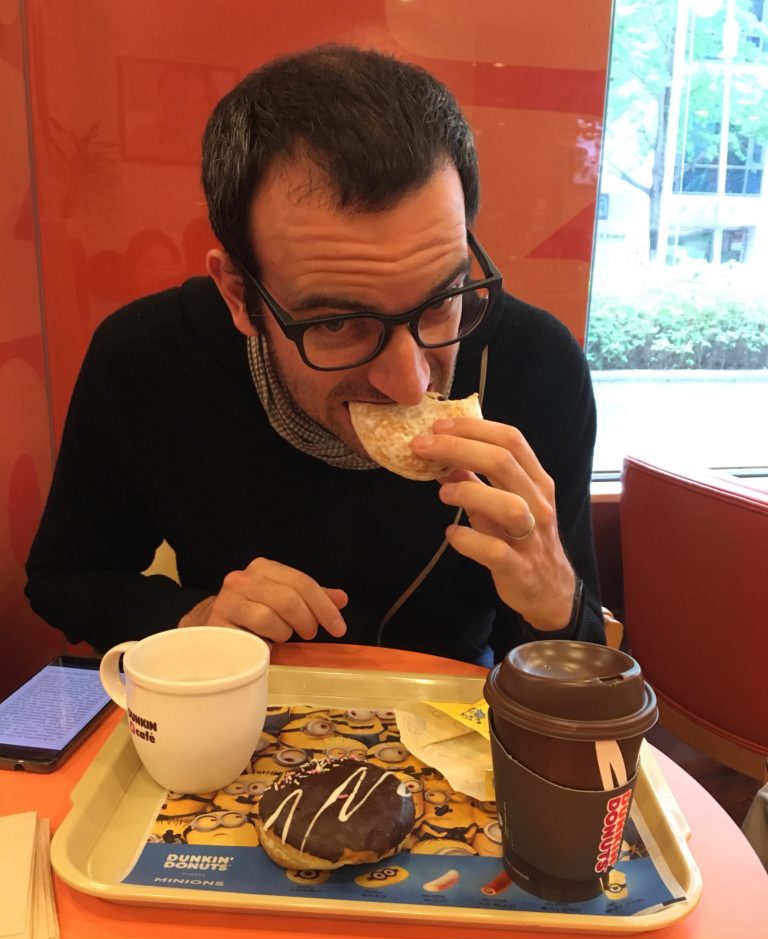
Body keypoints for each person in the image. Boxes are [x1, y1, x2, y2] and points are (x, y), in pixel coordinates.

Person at [26, 44, 605, 666]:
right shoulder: (148, 358)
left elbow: (576, 669)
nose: (409, 384)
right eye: (337, 322)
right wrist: (196, 619)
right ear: (239, 296)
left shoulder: (539, 366)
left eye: (443, 299)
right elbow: (68, 578)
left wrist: (555, 603)